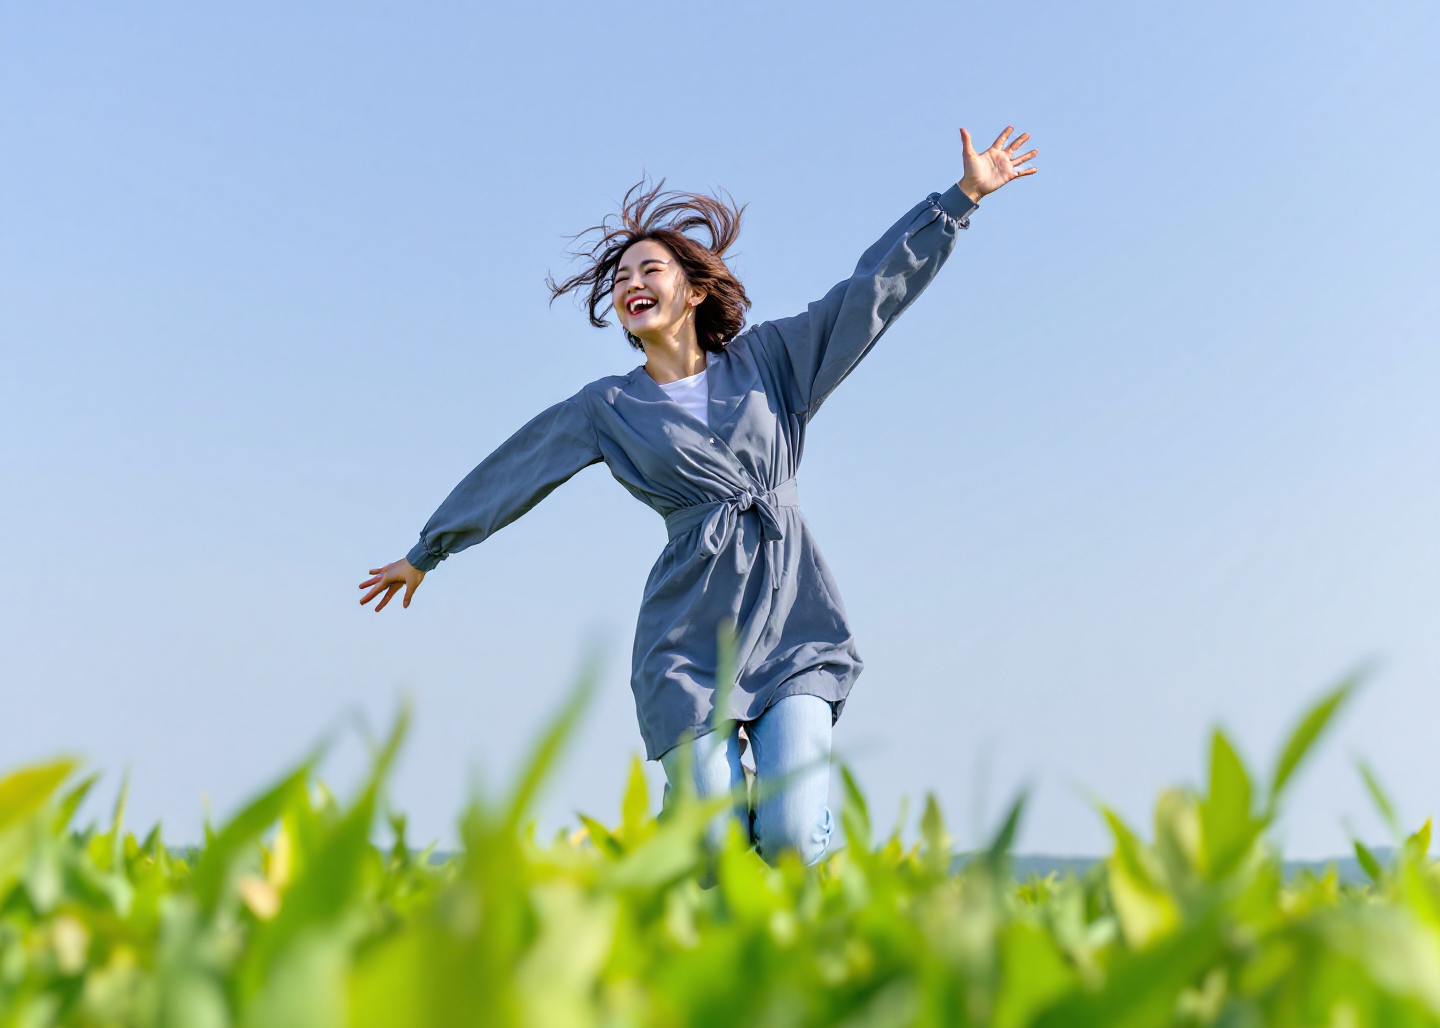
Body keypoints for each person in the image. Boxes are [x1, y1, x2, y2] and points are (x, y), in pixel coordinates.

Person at [361, 126, 1038, 866]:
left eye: (648, 269)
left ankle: (803, 936)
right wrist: (428, 551)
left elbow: (866, 296)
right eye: (619, 279)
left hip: (792, 618)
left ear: (694, 286)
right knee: (710, 843)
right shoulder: (607, 407)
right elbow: (516, 468)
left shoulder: (771, 361)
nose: (630, 284)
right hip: (687, 639)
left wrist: (960, 200)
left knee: (788, 833)